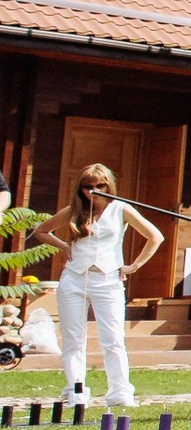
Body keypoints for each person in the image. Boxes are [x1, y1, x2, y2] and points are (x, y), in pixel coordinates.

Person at [34, 165, 161, 411]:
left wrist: (134, 265)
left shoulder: (121, 209)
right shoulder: (74, 211)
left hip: (108, 280)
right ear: (81, 189)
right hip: (73, 279)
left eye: (100, 186)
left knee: (113, 339)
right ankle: (76, 391)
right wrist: (64, 246)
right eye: (88, 186)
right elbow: (41, 231)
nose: (94, 191)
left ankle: (120, 392)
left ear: (109, 186)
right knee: (73, 340)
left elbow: (155, 236)